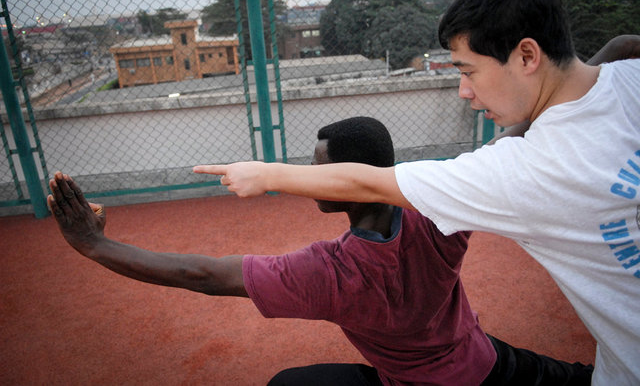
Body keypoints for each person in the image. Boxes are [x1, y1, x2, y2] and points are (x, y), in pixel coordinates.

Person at [193, 0, 640, 386]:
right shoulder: (629, 83)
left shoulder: (517, 174)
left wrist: (267, 173)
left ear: (527, 55)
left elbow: (367, 184)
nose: (464, 91)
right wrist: (617, 48)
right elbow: (619, 49)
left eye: (468, 71)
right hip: (489, 362)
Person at [50, 117, 592, 385]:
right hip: (480, 363)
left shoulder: (329, 272)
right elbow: (512, 140)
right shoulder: (439, 208)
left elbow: (201, 274)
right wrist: (600, 62)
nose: (309, 175)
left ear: (343, 178)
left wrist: (93, 244)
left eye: (318, 166)